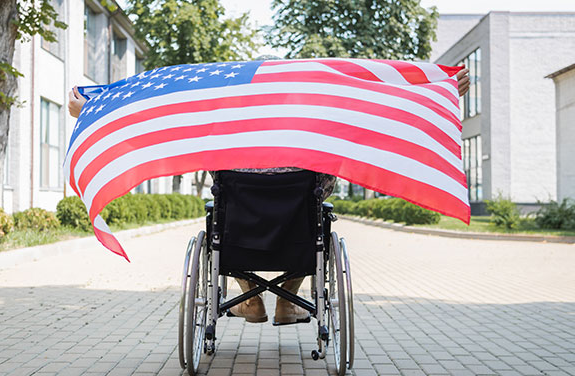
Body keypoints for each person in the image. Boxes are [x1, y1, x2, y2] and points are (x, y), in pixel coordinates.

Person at [68, 58, 470, 325]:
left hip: (239, 235)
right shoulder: (311, 144)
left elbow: (154, 107)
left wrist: (94, 107)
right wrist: (437, 91)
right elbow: (380, 116)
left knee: (220, 214)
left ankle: (251, 298)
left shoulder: (226, 143)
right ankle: (287, 299)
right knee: (316, 213)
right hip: (298, 234)